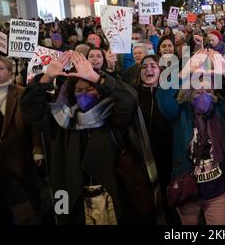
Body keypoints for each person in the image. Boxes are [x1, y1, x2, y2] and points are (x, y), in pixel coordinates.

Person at [20, 51, 160, 225]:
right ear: (72, 93)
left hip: (110, 195)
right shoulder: (59, 119)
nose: (84, 94)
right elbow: (29, 108)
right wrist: (46, 78)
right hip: (71, 197)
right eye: (79, 90)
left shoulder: (112, 116)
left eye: (90, 89)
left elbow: (129, 98)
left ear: (100, 92)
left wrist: (97, 78)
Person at [156, 50, 225, 225]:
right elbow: (163, 97)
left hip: (217, 191)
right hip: (187, 190)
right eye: (197, 87)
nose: (203, 92)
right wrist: (183, 73)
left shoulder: (220, 111)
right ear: (189, 89)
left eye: (207, 87)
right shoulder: (179, 113)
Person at [0, 55, 43, 224]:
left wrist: (37, 150)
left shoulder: (21, 93)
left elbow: (33, 125)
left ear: (10, 72)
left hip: (18, 152)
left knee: (20, 195)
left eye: (0, 68)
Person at [135, 55, 176, 223]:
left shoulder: (169, 95)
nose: (148, 70)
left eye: (153, 66)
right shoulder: (132, 95)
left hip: (167, 160)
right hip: (141, 161)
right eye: (144, 67)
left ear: (161, 71)